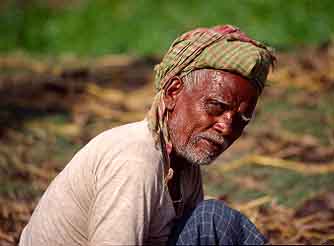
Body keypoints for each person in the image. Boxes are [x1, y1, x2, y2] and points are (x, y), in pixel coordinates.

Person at [19, 24, 275, 245]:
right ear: (173, 92)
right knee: (212, 221)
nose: (227, 127)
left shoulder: (184, 168)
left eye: (242, 119)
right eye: (216, 107)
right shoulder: (135, 162)